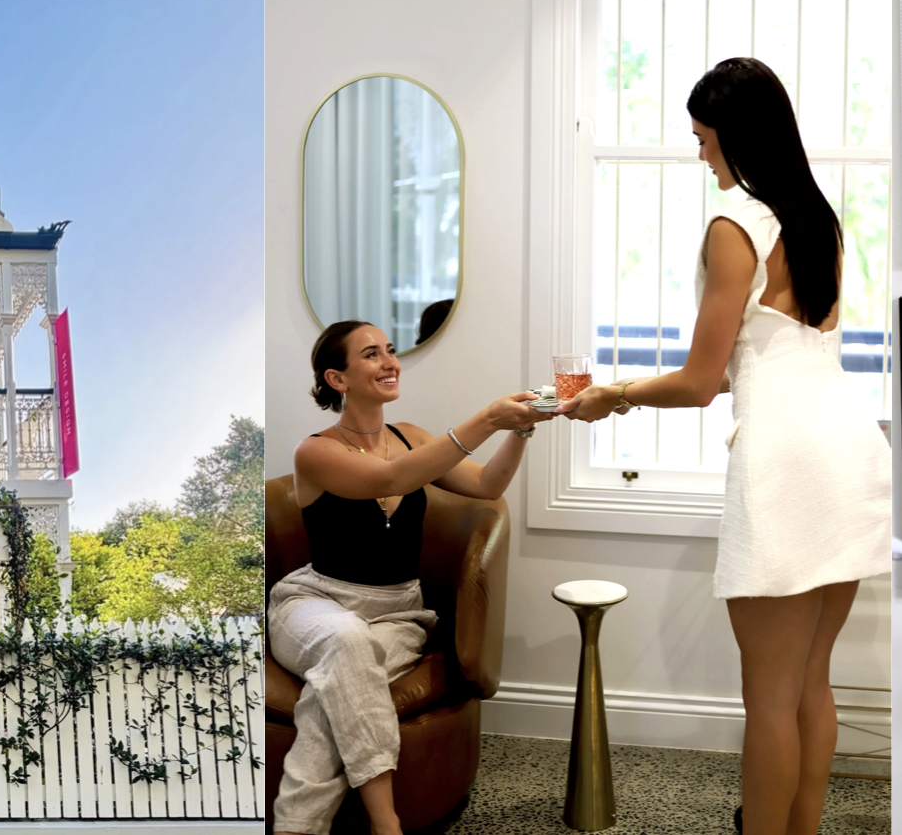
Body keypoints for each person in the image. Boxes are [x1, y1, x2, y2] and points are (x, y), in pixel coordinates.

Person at [557, 57, 887, 835]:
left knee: (768, 696)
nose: (699, 153)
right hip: (850, 447)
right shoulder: (818, 219)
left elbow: (704, 381)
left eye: (704, 138)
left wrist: (615, 396)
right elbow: (775, 359)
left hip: (787, 460)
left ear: (737, 139)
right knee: (812, 683)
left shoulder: (735, 226)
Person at [271, 320, 546, 835]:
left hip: (398, 612)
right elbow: (390, 479)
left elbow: (488, 485)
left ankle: (296, 827)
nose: (390, 362)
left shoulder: (413, 438)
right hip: (314, 604)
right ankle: (387, 823)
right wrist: (487, 416)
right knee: (347, 641)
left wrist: (521, 428)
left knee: (329, 698)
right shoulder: (315, 451)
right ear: (338, 378)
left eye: (391, 351)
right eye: (372, 354)